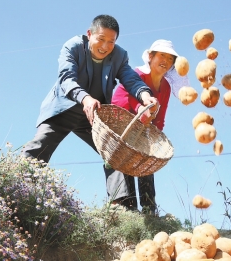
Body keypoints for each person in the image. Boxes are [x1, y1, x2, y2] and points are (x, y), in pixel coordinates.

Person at [21, 15, 159, 206]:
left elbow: (131, 79)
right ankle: (18, 189)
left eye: (111, 42)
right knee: (40, 146)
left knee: (115, 153)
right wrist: (84, 98)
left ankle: (121, 208)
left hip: (95, 116)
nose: (105, 46)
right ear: (89, 34)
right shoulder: (73, 46)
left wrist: (144, 95)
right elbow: (66, 78)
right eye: (100, 39)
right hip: (64, 108)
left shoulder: (119, 55)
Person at [107, 39, 190, 215]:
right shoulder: (137, 74)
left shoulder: (165, 87)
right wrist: (141, 111)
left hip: (142, 126)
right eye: (162, 55)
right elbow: (128, 99)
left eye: (170, 58)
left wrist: (156, 136)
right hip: (121, 121)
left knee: (145, 160)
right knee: (123, 161)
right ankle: (126, 209)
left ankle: (149, 208)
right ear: (150, 57)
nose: (166, 61)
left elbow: (161, 115)